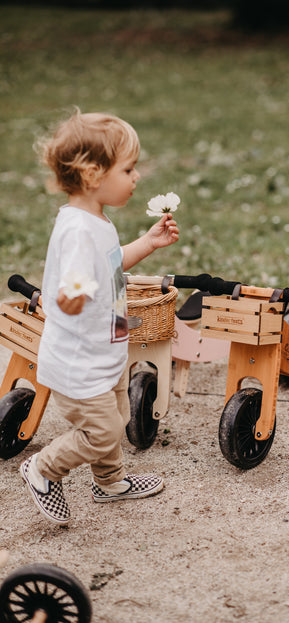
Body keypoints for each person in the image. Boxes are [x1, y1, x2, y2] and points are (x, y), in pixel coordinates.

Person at [20, 109, 179, 526]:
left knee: (118, 418)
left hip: (104, 352)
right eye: (128, 169)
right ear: (93, 174)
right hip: (78, 364)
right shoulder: (76, 230)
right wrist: (74, 296)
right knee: (102, 432)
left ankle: (109, 483)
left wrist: (147, 242)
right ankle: (43, 469)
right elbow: (70, 294)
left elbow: (109, 265)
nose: (136, 177)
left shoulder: (96, 222)